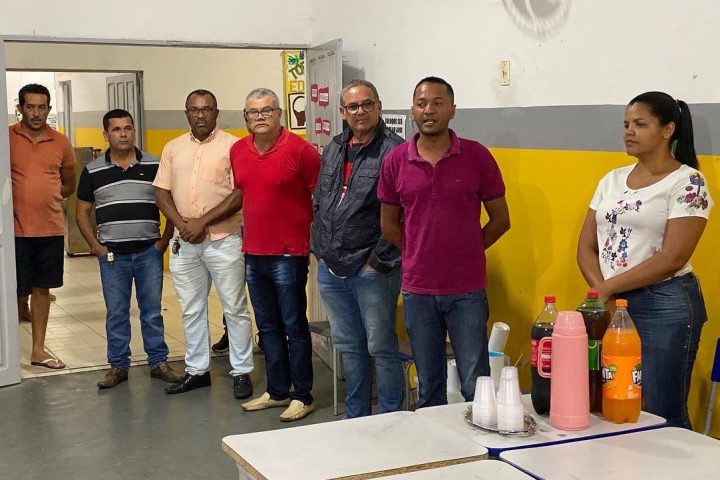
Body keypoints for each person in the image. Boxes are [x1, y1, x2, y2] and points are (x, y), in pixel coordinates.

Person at [577, 91, 713, 428]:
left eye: (640, 124)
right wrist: (603, 292)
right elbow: (586, 247)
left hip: (664, 304)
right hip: (611, 301)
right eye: (626, 124)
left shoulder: (688, 182)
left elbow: (673, 257)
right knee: (613, 399)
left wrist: (607, 290)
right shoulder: (611, 180)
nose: (629, 132)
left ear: (667, 130)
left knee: (660, 410)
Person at [378, 76, 510, 408]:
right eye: (421, 103)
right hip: (418, 289)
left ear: (452, 109)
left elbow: (501, 220)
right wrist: (417, 252)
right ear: (412, 110)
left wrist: (468, 249)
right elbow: (388, 225)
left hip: (467, 290)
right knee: (428, 385)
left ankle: (479, 438)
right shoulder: (395, 161)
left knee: (475, 384)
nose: (429, 110)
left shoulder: (477, 156)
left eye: (438, 103)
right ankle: (433, 441)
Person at [311, 80, 405, 418]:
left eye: (367, 104)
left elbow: (403, 213)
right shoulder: (335, 148)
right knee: (349, 347)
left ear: (379, 106)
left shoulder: (395, 151)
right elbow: (321, 200)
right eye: (352, 106)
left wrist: (377, 262)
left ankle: (392, 417)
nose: (360, 111)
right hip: (331, 268)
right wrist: (319, 249)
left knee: (381, 347)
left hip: (372, 271)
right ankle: (357, 417)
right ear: (342, 112)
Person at [153, 89, 254, 398]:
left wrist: (202, 222)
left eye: (207, 109)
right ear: (187, 114)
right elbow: (161, 192)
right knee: (191, 309)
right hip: (185, 244)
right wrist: (183, 225)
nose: (201, 114)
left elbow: (239, 194)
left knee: (234, 308)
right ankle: (197, 371)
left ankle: (241, 371)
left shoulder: (234, 146)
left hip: (224, 241)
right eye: (195, 110)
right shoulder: (173, 148)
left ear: (216, 113)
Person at [75, 109, 183, 388]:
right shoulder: (93, 171)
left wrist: (163, 242)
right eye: (116, 129)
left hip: (149, 252)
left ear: (134, 131)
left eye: (128, 128)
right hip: (112, 255)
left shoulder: (155, 165)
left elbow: (169, 205)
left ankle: (158, 362)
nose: (123, 134)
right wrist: (96, 247)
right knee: (117, 313)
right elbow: (82, 211)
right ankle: (118, 367)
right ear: (106, 135)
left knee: (152, 311)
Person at [232, 88, 321, 422]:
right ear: (246, 117)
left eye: (266, 111)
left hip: (288, 254)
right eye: (253, 112)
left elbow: (320, 198)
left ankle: (302, 395)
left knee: (293, 326)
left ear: (279, 113)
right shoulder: (238, 151)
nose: (260, 117)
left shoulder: (301, 151)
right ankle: (277, 390)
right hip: (253, 253)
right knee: (267, 326)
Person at [9, 83, 76, 370]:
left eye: (41, 107)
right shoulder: (6, 137)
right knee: (12, 290)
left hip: (50, 229)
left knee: (41, 289)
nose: (36, 113)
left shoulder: (60, 142)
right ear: (20, 108)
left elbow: (69, 183)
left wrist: (47, 196)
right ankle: (8, 355)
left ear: (49, 109)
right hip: (14, 231)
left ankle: (38, 349)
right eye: (30, 107)